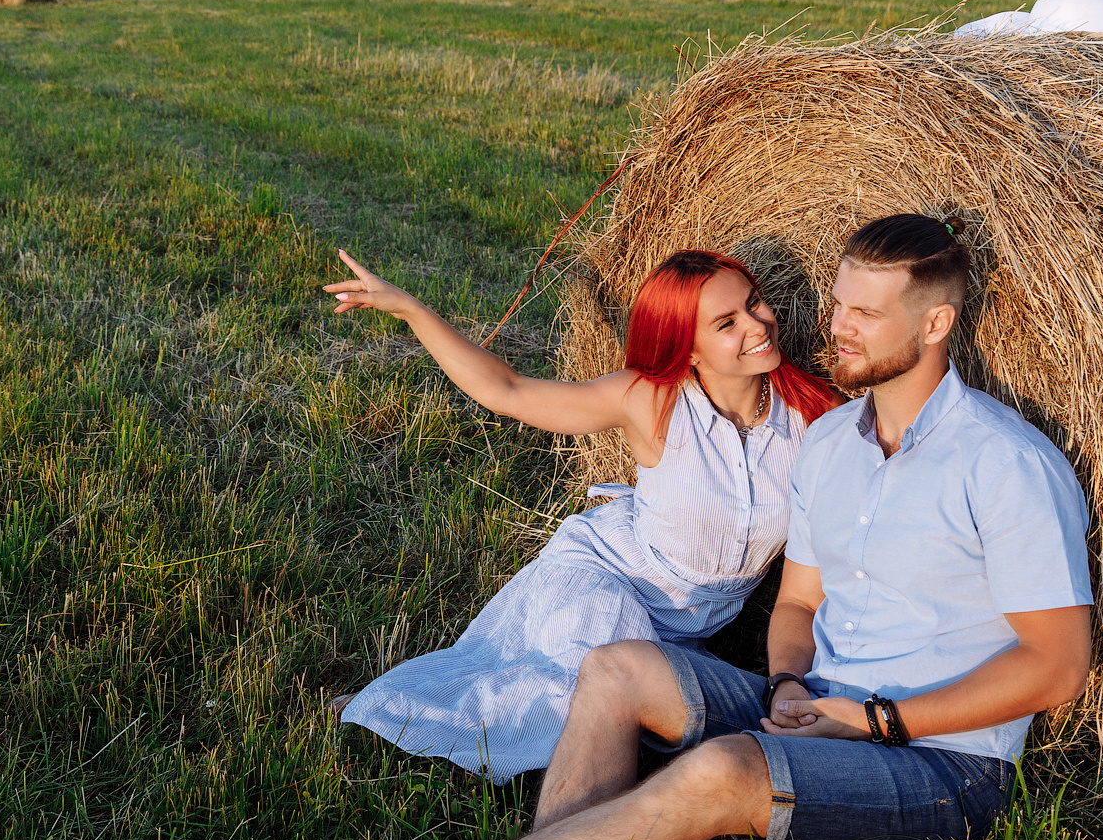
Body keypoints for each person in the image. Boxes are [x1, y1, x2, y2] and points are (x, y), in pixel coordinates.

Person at [275, 213, 1095, 840]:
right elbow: (797, 605)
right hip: (812, 702)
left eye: (864, 314)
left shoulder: (1004, 463)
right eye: (837, 303)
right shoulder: (832, 450)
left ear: (935, 325)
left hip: (942, 762)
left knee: (724, 769)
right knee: (616, 667)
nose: (833, 325)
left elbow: (1058, 669)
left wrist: (876, 720)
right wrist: (786, 684)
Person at [323, 245, 842, 781]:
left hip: (690, 624)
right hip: (610, 575)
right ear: (687, 348)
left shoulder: (812, 419)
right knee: (577, 691)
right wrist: (409, 308)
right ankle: (404, 714)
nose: (758, 325)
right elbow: (510, 391)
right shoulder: (650, 401)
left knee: (663, 704)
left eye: (755, 304)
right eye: (726, 323)